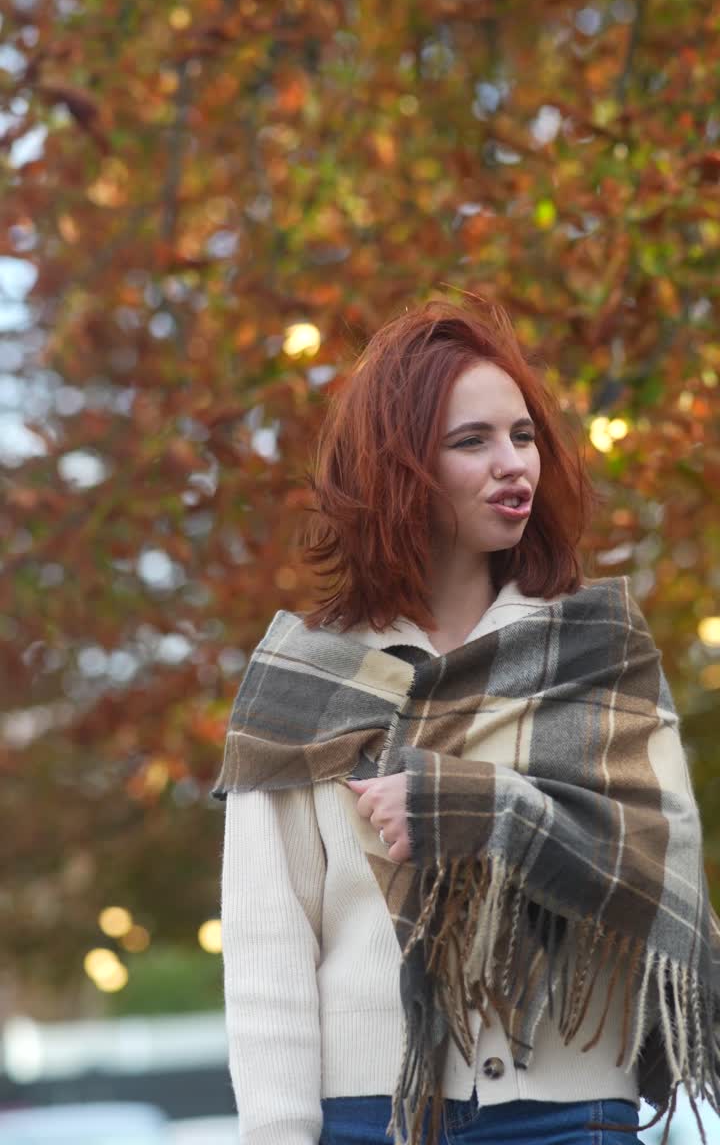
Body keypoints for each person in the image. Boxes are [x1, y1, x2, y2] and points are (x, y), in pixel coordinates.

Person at [214, 296, 720, 1145]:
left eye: (523, 436)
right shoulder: (304, 682)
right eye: (472, 442)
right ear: (398, 468)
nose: (514, 463)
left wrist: (482, 811)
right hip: (371, 1116)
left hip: (569, 1113)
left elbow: (656, 868)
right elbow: (270, 951)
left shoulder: (596, 652)